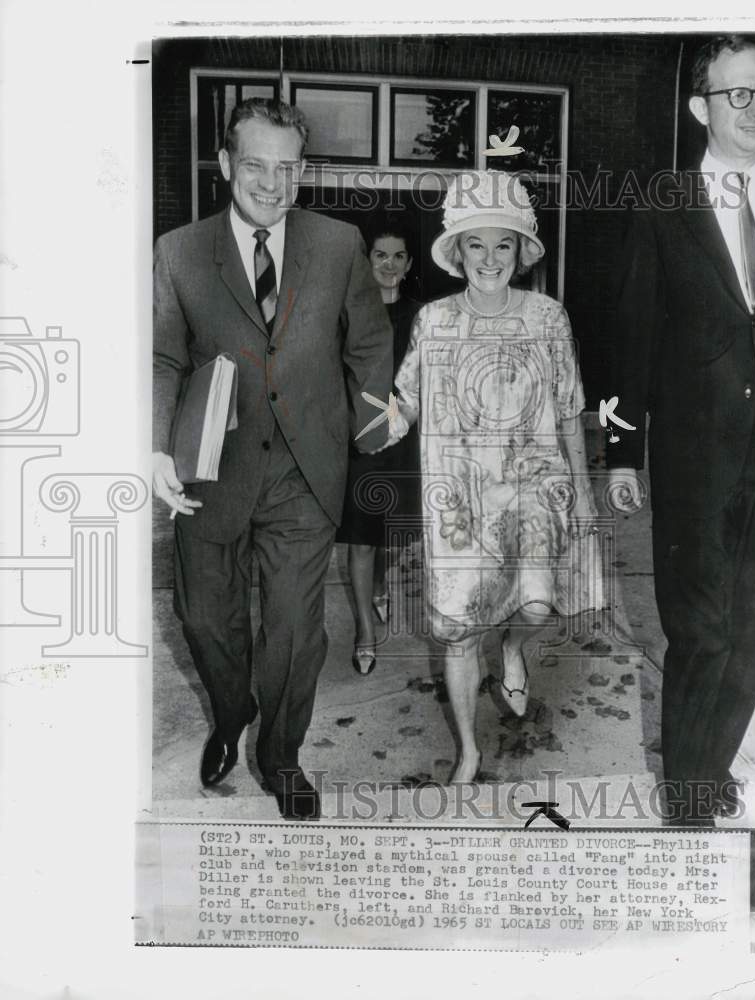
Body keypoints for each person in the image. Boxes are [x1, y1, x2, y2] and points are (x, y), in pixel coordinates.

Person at [152, 98, 395, 820]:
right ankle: (231, 713)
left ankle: (280, 755)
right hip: (210, 468)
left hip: (303, 470)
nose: (270, 181)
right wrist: (155, 446)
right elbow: (162, 355)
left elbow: (370, 343)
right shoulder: (180, 252)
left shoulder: (338, 244)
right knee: (204, 620)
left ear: (301, 172)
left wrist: (374, 425)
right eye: (254, 163)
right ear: (226, 164)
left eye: (286, 167)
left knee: (292, 630)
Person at [607, 36, 755, 825]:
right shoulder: (662, 202)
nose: (754, 110)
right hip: (691, 453)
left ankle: (708, 765)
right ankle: (684, 797)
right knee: (699, 628)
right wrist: (620, 448)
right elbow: (630, 330)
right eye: (736, 95)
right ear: (698, 108)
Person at [394, 170, 602, 783]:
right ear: (457, 253)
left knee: (536, 606)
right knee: (457, 629)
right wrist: (385, 418)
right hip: (457, 497)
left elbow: (569, 408)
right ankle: (469, 752)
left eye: (502, 244)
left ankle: (511, 649)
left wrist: (585, 494)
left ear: (521, 252)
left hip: (533, 489)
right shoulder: (432, 322)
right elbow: (405, 399)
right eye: (475, 244)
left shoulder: (548, 317)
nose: (489, 258)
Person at [337, 215, 422, 675]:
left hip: (405, 438)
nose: (389, 264)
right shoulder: (349, 313)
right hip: (362, 439)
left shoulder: (421, 316)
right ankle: (366, 632)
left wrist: (405, 419)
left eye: (398, 256)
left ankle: (379, 587)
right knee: (361, 536)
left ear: (408, 264)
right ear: (367, 260)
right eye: (380, 254)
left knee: (391, 531)